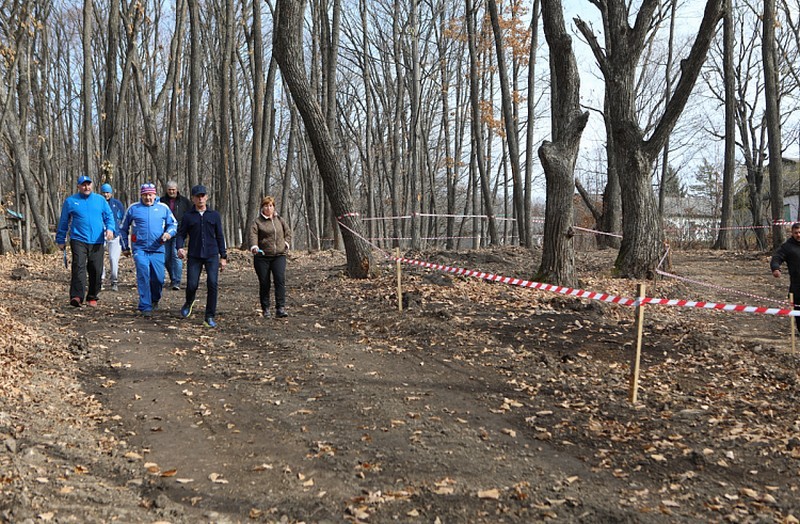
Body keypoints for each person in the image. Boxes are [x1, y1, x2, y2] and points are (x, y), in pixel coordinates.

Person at [56, 175, 116, 307]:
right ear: (78, 187)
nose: (86, 187)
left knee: (96, 269)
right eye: (83, 185)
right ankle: (77, 296)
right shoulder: (71, 201)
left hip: (97, 240)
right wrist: (61, 239)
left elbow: (109, 217)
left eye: (88, 184)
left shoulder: (100, 200)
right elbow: (64, 221)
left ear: (92, 185)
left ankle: (92, 296)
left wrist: (110, 229)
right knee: (79, 267)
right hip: (78, 239)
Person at [120, 183, 178, 318]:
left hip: (158, 249)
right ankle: (145, 305)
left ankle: (155, 299)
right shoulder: (134, 208)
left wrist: (168, 233)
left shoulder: (163, 208)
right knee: (143, 275)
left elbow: (173, 224)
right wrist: (125, 247)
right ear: (141, 195)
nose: (148, 198)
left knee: (158, 279)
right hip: (140, 249)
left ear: (155, 194)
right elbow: (123, 228)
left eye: (150, 195)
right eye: (145, 195)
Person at [176, 185, 228, 328]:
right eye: (197, 196)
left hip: (212, 255)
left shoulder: (214, 215)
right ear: (193, 198)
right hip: (194, 255)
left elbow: (220, 236)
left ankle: (209, 316)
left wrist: (223, 256)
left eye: (202, 196)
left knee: (212, 284)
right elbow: (181, 234)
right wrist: (179, 248)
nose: (200, 198)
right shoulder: (188, 216)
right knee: (192, 284)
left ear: (206, 197)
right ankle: (189, 301)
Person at [248, 196, 291, 318]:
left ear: (274, 207)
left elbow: (288, 233)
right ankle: (266, 308)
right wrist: (254, 247)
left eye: (271, 205)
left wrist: (286, 244)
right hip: (262, 257)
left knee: (280, 280)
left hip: (279, 255)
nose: (268, 208)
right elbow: (253, 235)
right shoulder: (257, 222)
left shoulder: (280, 220)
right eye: (266, 206)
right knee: (264, 282)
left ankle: (280, 308)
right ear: (262, 207)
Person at [160, 181, 192, 290]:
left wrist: (188, 230)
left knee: (176, 255)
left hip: (179, 232)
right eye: (169, 189)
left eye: (173, 189)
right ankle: (173, 278)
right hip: (165, 233)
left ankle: (177, 282)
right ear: (166, 190)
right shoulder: (161, 201)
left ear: (177, 189)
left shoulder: (185, 202)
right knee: (166, 257)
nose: (172, 191)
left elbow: (190, 215)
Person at [771, 222, 800, 333]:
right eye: (796, 233)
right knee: (798, 312)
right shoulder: (788, 247)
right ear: (792, 233)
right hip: (797, 286)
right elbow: (777, 258)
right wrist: (775, 268)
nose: (798, 235)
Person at [100, 183, 126, 292]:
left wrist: (120, 231)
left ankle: (114, 280)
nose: (106, 194)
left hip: (114, 235)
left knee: (113, 258)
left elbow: (123, 219)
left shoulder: (117, 204)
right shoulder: (98, 203)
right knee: (99, 259)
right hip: (99, 236)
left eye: (107, 192)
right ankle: (100, 280)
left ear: (111, 193)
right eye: (104, 192)